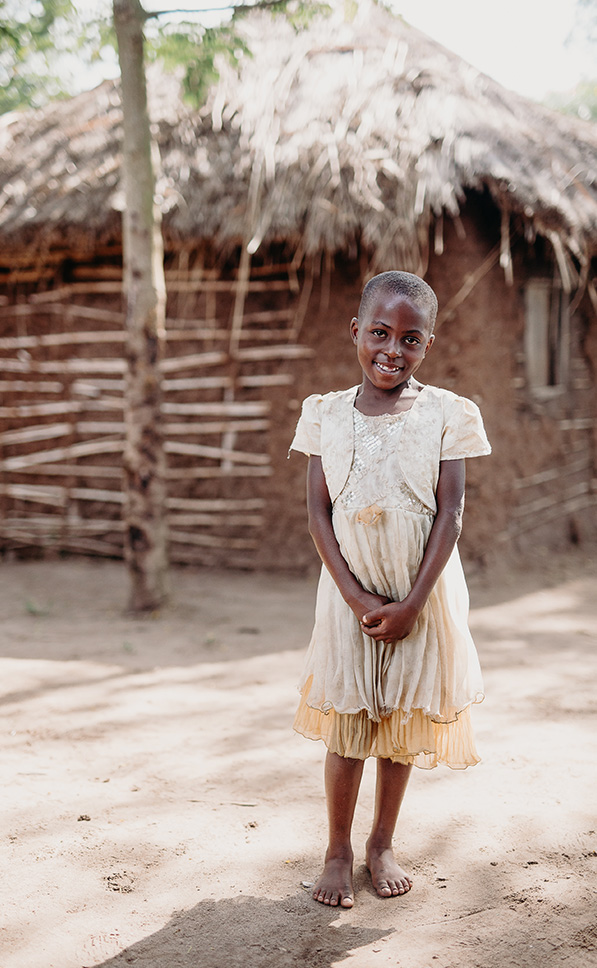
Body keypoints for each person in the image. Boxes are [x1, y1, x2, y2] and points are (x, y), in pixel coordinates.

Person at [289, 270, 491, 909]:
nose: (391, 350)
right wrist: (355, 597)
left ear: (428, 344)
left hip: (418, 595)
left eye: (410, 339)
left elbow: (450, 514)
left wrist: (411, 604)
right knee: (348, 720)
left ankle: (381, 843)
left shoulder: (448, 414)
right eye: (379, 332)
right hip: (348, 594)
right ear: (356, 331)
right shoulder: (324, 414)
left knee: (399, 719)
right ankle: (337, 850)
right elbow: (319, 513)